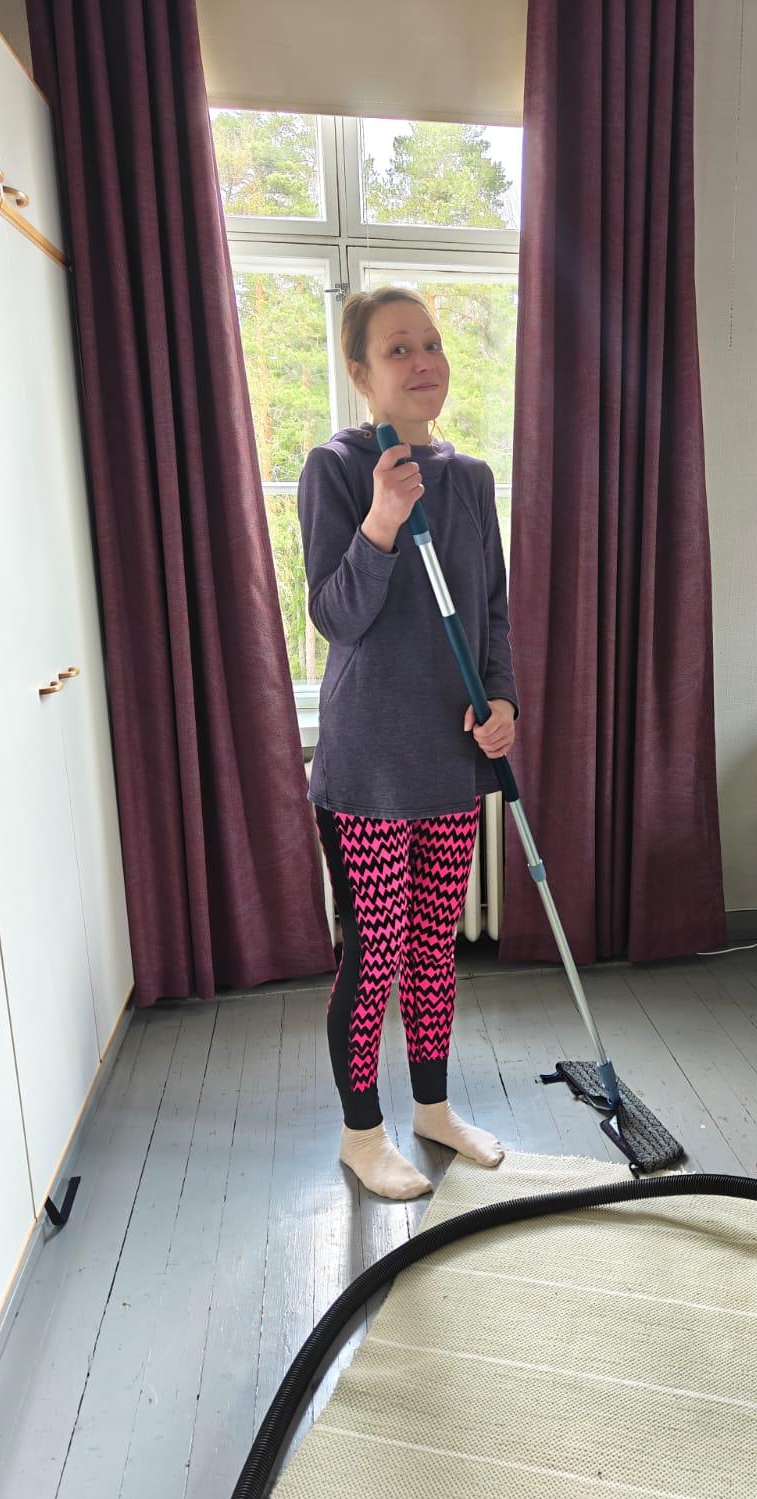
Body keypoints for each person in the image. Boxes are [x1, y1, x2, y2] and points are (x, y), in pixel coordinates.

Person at [298, 285, 517, 1201]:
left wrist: (503, 699)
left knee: (433, 948)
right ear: (360, 372)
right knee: (375, 953)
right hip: (368, 769)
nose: (423, 361)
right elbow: (335, 616)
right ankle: (363, 1134)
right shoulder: (336, 468)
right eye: (398, 349)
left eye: (431, 343)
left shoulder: (471, 478)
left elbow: (492, 610)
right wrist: (382, 520)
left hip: (450, 761)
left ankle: (432, 1109)